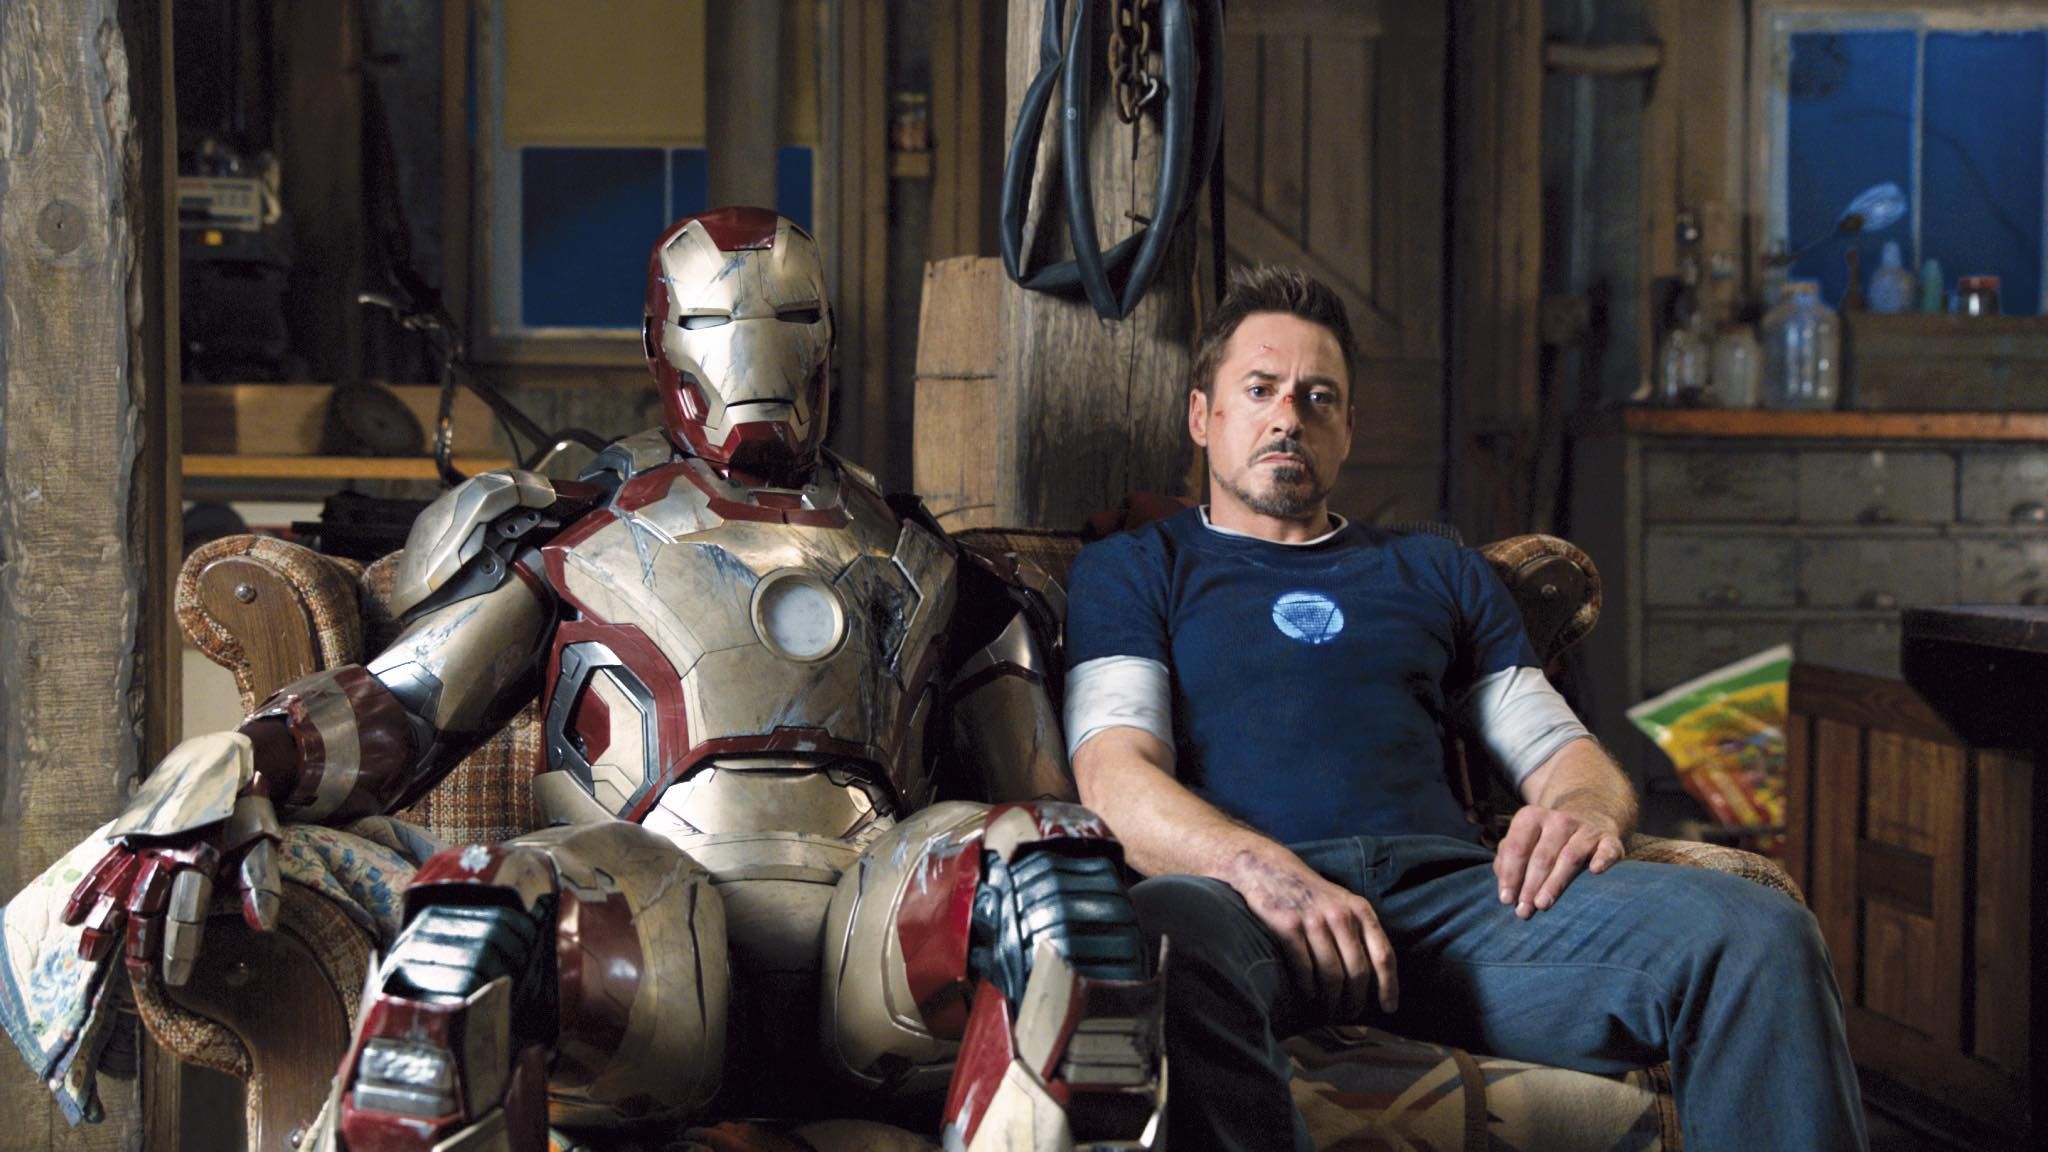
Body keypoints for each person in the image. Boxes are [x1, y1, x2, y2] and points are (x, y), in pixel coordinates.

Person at [47, 208, 1163, 1151]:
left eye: (784, 317)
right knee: (481, 925)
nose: (754, 354)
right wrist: (249, 758)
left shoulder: (930, 560)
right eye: (718, 321)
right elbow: (407, 704)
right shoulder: (581, 533)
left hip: (881, 949)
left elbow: (1045, 806)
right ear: (666, 342)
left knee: (1051, 890)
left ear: (825, 337)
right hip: (647, 933)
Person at [1062, 264, 1866, 1150]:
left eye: (1319, 396)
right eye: (1260, 390)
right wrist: (1266, 874)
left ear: (1348, 429)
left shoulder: (1435, 571)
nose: (1289, 415)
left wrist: (1584, 807)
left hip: (1456, 910)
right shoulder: (1134, 568)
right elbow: (1114, 776)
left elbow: (1559, 751)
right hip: (1243, 911)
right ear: (1202, 415)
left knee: (1758, 932)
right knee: (1156, 935)